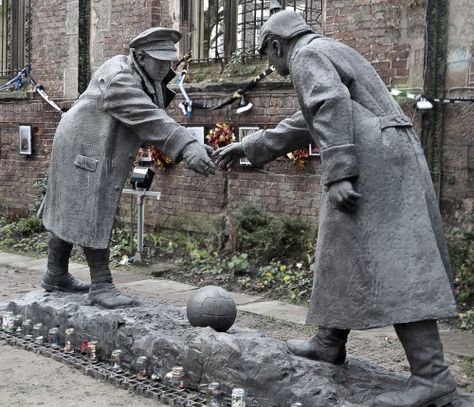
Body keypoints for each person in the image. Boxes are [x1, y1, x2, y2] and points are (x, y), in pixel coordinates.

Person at [214, 10, 458, 407]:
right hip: (382, 154)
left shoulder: (305, 56)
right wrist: (252, 146)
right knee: (339, 248)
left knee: (395, 262)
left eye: (268, 57)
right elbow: (306, 119)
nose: (272, 68)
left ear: (277, 45)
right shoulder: (328, 48)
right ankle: (329, 342)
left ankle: (433, 375)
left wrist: (341, 172)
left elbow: (328, 105)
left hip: (371, 162)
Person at [42, 27, 216, 309]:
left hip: (90, 142)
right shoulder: (120, 78)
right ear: (139, 56)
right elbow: (148, 118)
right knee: (90, 209)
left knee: (71, 207)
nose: (165, 68)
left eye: (169, 61)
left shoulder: (145, 74)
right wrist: (186, 146)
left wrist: (189, 144)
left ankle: (55, 274)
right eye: (159, 61)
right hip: (82, 146)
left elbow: (155, 113)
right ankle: (101, 285)